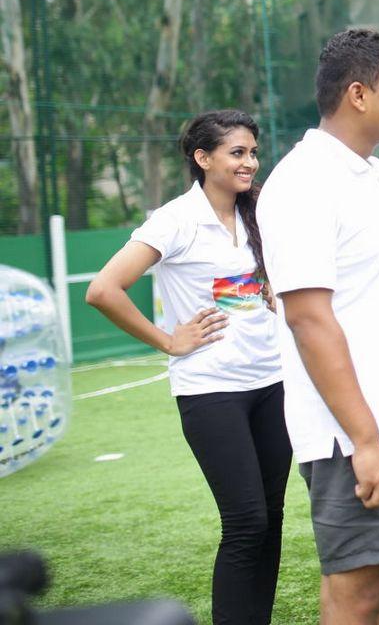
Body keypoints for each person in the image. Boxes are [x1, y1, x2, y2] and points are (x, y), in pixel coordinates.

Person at [257, 28, 379, 625]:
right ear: (359, 94)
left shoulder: (370, 175)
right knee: (361, 586)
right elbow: (310, 320)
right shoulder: (302, 183)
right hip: (353, 431)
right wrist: (365, 442)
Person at [86, 110, 289, 625]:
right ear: (203, 159)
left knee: (271, 521)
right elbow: (103, 291)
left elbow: (255, 288)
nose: (250, 163)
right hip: (211, 392)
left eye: (251, 152)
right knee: (245, 522)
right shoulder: (174, 219)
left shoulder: (257, 212)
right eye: (237, 153)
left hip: (273, 383)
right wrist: (168, 341)